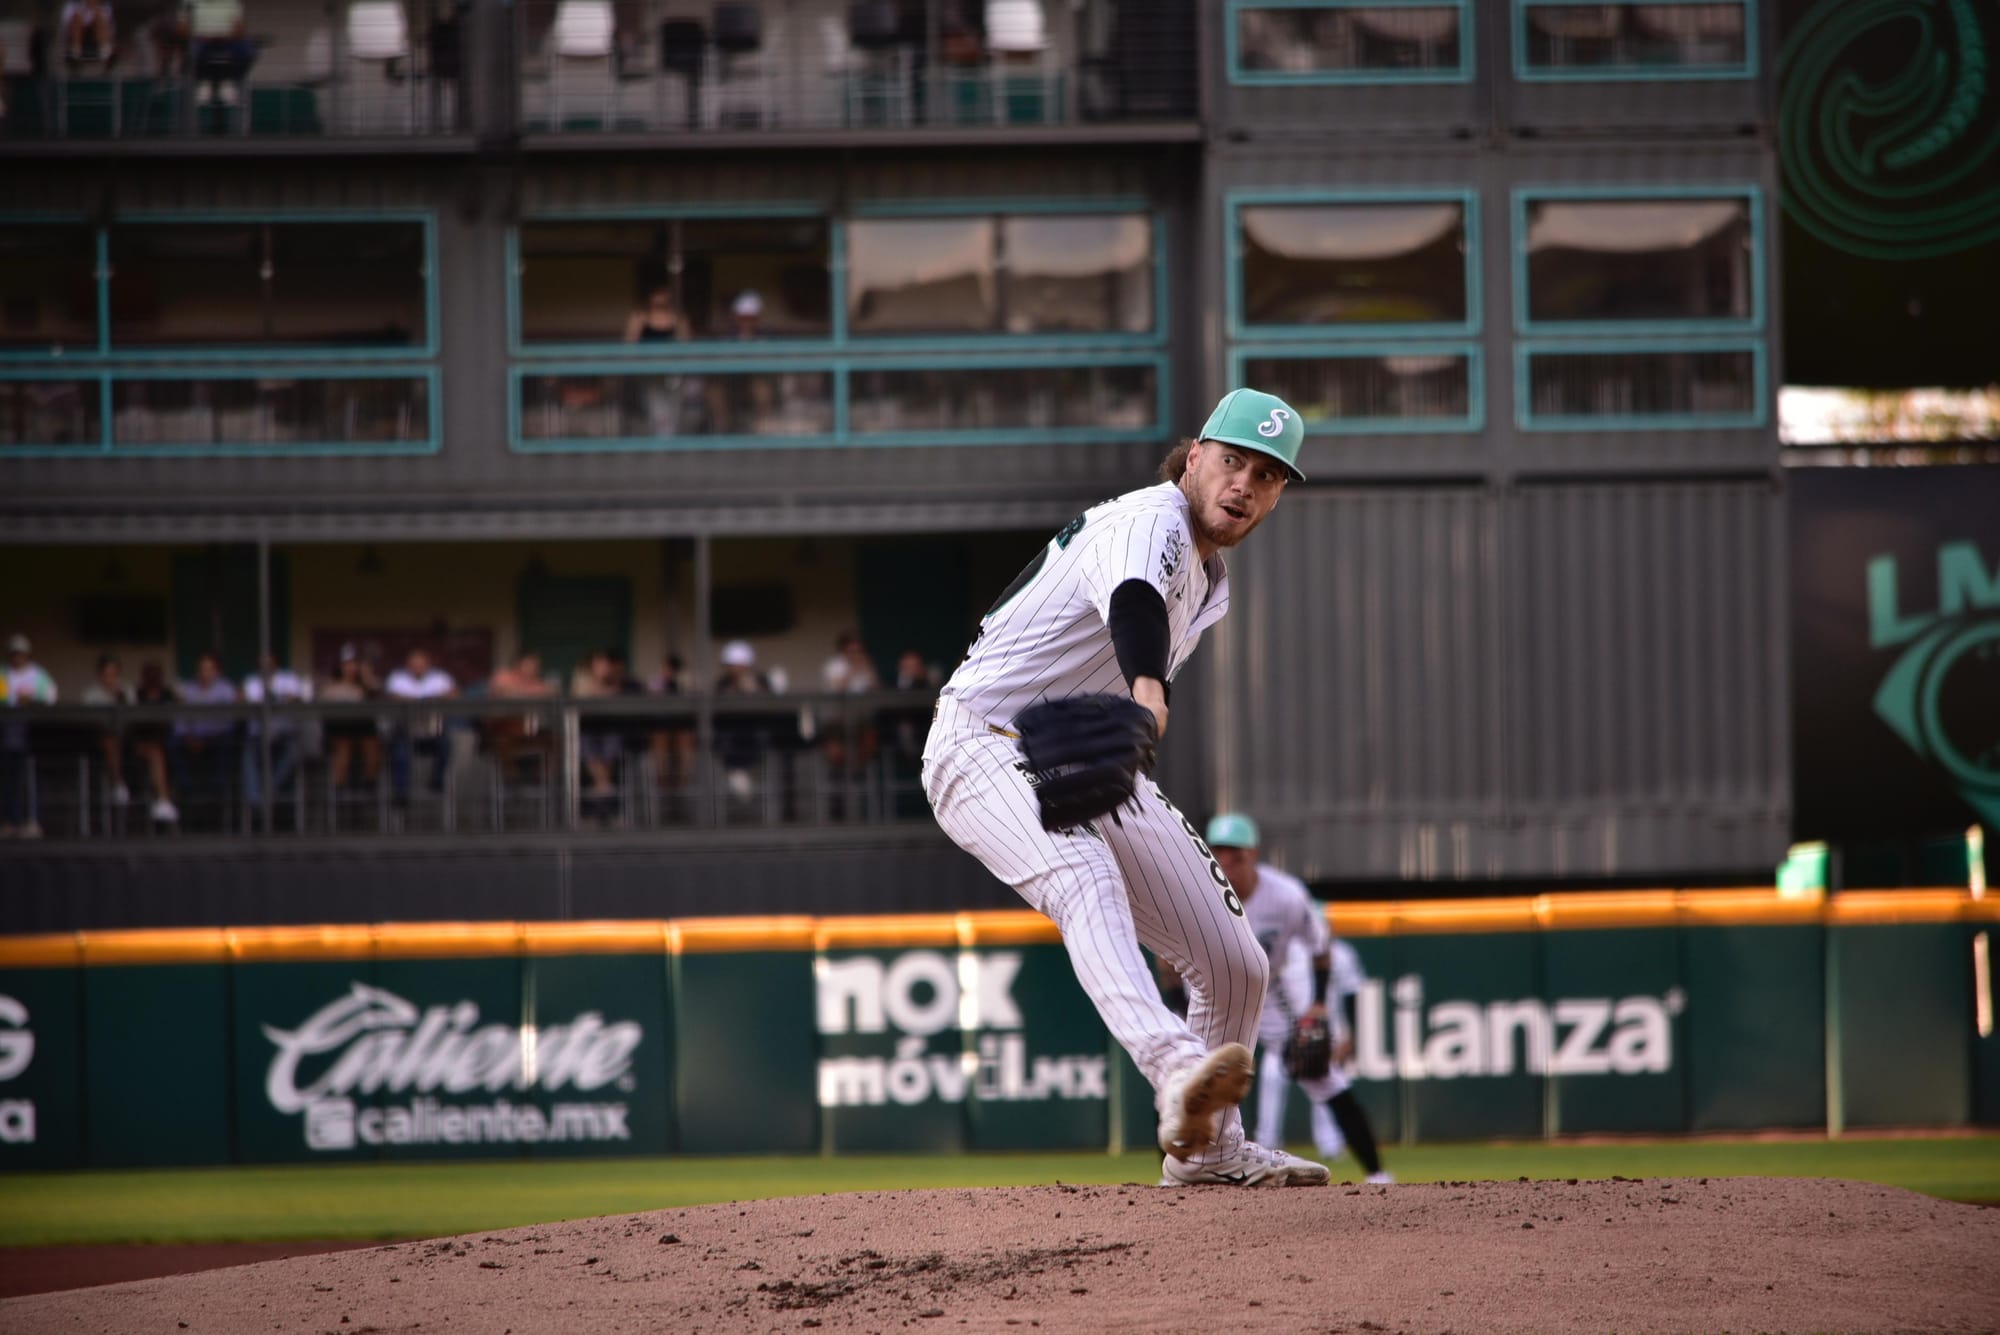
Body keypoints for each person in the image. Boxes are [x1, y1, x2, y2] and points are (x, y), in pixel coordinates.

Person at [921, 387, 1327, 1188]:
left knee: (1235, 960)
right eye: (1234, 461)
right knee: (1083, 875)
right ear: (1197, 455)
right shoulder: (1149, 521)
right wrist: (1148, 687)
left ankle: (1210, 1154)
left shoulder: (1213, 581)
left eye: (1269, 475)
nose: (1245, 484)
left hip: (1078, 760)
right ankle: (1176, 1069)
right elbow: (1133, 601)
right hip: (979, 740)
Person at [1204, 812, 1391, 1185]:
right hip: (1209, 993)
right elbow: (1165, 956)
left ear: (1252, 853)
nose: (1226, 861)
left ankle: (1377, 1174)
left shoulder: (1285, 895)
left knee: (1323, 1075)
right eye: (1219, 852)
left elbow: (1320, 948)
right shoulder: (1199, 890)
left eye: (1235, 854)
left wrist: (1320, 1003)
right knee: (1188, 1079)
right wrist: (1177, 1000)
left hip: (1270, 997)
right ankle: (1169, 1182)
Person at [172, 651, 240, 826]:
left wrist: (207, 739)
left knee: (228, 742)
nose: (205, 673)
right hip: (192, 738)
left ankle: (217, 789)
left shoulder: (226, 689)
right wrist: (188, 737)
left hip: (217, 737)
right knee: (172, 742)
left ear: (217, 672)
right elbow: (180, 721)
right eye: (202, 669)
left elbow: (229, 721)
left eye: (210, 669)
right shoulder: (188, 689)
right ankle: (185, 786)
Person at [240, 651, 311, 817]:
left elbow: (297, 698)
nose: (266, 666)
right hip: (258, 736)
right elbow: (245, 699)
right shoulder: (251, 682)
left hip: (285, 735)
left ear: (275, 663)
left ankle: (266, 794)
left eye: (269, 662)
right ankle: (257, 802)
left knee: (293, 751)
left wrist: (285, 697)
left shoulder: (288, 679)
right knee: (247, 755)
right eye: (262, 663)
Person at [1, 633, 58, 839]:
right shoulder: (2, 674)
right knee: (8, 779)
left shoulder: (38, 675)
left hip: (34, 735)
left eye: (21, 654)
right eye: (14, 653)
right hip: (6, 734)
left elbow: (50, 698)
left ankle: (32, 821)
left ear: (27, 654)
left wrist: (31, 700)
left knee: (30, 778)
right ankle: (10, 822)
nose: (18, 657)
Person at [384, 646, 455, 806]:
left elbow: (453, 693)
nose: (417, 668)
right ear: (408, 665)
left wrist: (433, 698)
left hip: (433, 731)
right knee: (399, 751)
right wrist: (420, 701)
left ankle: (436, 783)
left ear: (428, 665)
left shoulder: (439, 677)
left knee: (446, 744)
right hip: (406, 732)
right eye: (414, 665)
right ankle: (401, 793)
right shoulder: (398, 678)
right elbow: (392, 696)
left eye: (421, 665)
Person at [713, 639, 772, 807]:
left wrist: (751, 688)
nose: (735, 668)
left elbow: (770, 703)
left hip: (756, 732)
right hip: (730, 733)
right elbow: (717, 707)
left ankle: (741, 775)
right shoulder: (722, 683)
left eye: (738, 664)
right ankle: (737, 773)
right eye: (731, 665)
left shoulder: (761, 680)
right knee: (724, 739)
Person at [320, 643, 383, 796]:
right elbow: (324, 702)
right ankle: (340, 788)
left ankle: (370, 784)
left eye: (354, 664)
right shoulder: (331, 685)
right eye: (347, 664)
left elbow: (377, 690)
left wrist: (366, 674)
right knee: (343, 746)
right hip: (338, 728)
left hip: (363, 727)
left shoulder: (365, 685)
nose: (351, 667)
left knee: (372, 743)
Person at [485, 648, 557, 781]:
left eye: (536, 665)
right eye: (530, 664)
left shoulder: (538, 683)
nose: (533, 668)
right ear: (519, 664)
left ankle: (543, 782)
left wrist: (532, 692)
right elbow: (503, 691)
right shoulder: (503, 677)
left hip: (534, 731)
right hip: (502, 730)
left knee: (558, 741)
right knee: (502, 742)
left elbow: (550, 693)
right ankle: (513, 780)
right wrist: (528, 693)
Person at [129, 661, 180, 823]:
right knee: (155, 753)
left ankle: (164, 802)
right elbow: (130, 724)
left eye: (156, 675)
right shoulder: (136, 695)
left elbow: (174, 721)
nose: (153, 679)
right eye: (149, 675)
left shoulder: (168, 695)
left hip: (166, 744)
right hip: (138, 745)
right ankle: (163, 801)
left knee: (162, 752)